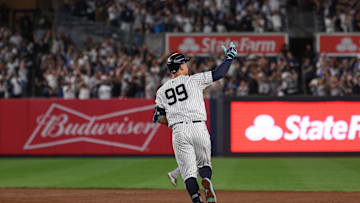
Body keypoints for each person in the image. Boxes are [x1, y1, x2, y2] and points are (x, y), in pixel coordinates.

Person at [153, 42, 237, 203]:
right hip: (198, 126)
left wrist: (173, 121)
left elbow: (157, 117)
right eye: (184, 62)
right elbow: (219, 73)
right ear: (180, 67)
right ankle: (207, 181)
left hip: (178, 130)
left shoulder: (161, 90)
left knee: (188, 174)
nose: (186, 65)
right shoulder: (194, 80)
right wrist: (229, 57)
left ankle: (197, 200)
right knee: (204, 164)